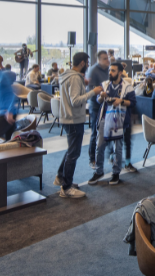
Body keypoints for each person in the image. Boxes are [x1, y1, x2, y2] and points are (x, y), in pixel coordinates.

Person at [53, 52, 103, 199]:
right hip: (74, 119)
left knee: (71, 150)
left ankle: (61, 177)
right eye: (87, 62)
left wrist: (83, 86)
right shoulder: (75, 78)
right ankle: (66, 188)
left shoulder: (68, 75)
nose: (88, 65)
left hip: (68, 117)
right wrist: (93, 92)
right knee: (74, 153)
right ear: (82, 63)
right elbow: (75, 101)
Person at [88, 63, 137, 187]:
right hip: (104, 119)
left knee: (117, 148)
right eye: (110, 70)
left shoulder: (127, 87)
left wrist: (121, 101)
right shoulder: (104, 84)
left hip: (119, 120)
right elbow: (99, 101)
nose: (110, 72)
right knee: (100, 146)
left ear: (120, 72)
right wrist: (101, 96)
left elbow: (133, 103)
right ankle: (98, 171)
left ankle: (116, 173)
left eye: (113, 70)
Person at [86, 50, 110, 169]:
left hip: (106, 105)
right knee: (95, 132)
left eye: (107, 58)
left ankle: (109, 155)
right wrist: (101, 92)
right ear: (99, 60)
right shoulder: (93, 70)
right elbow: (91, 89)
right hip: (95, 106)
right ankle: (92, 159)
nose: (107, 60)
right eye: (105, 59)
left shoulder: (108, 70)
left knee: (109, 130)